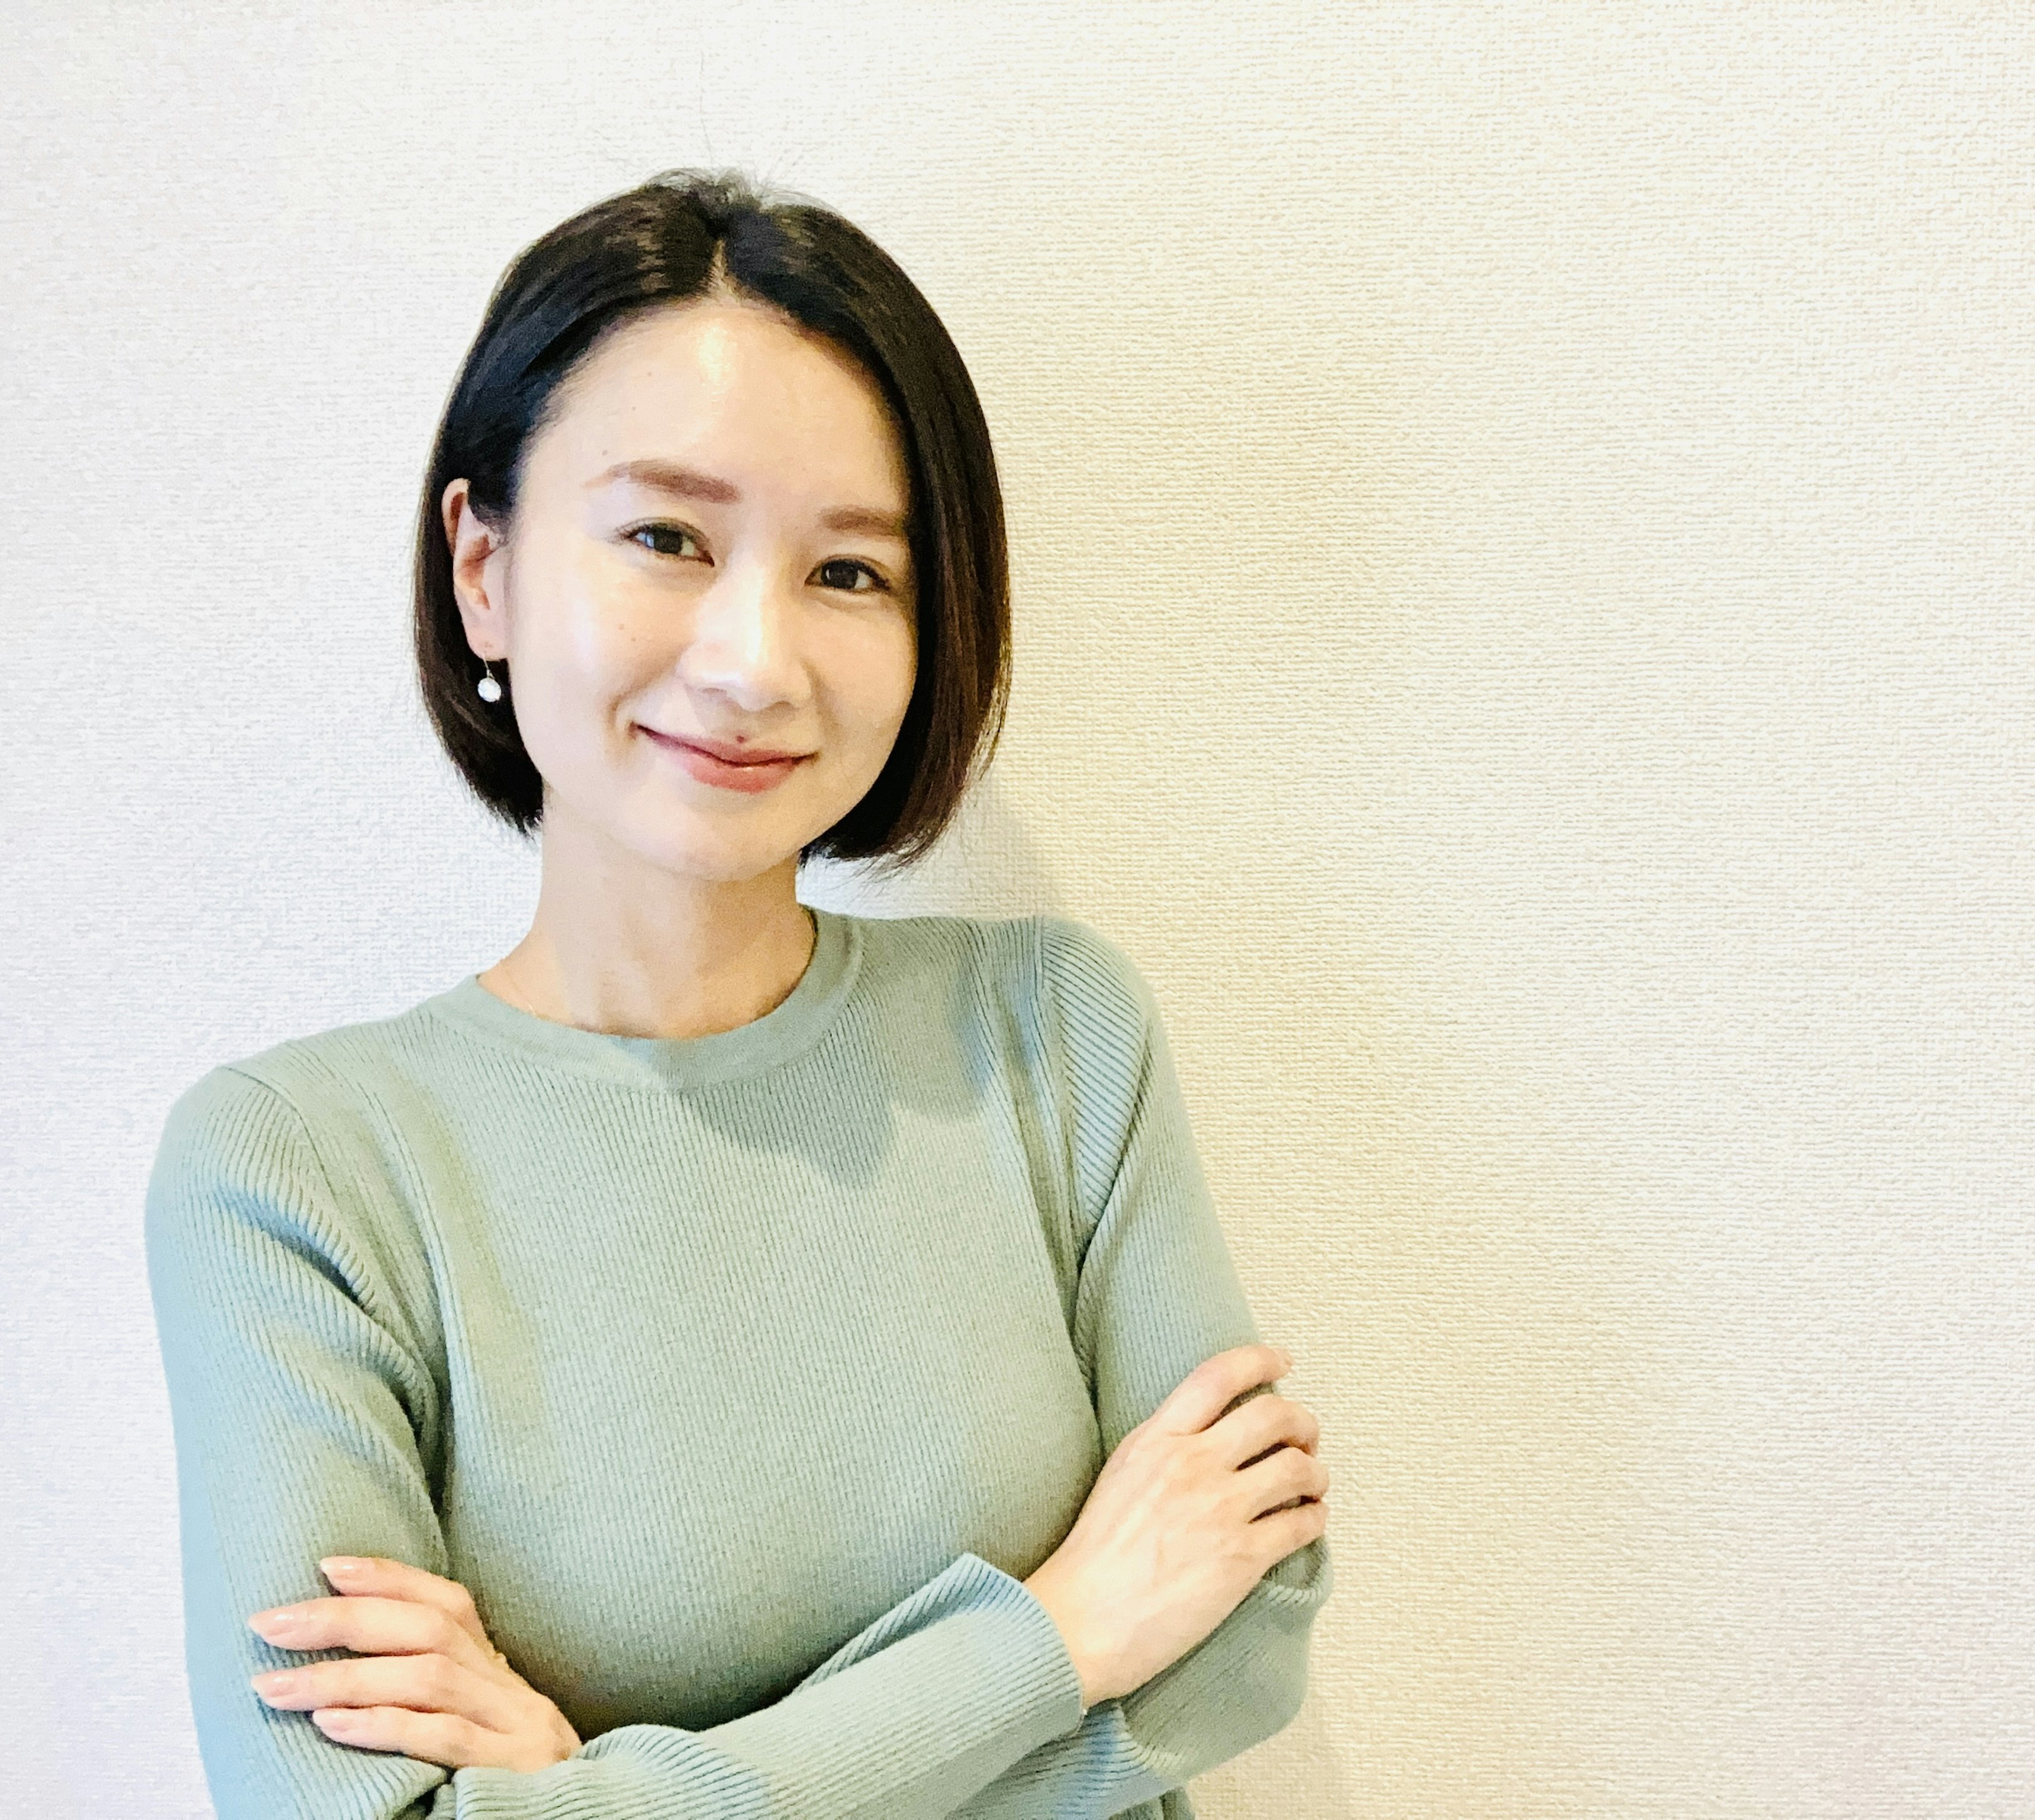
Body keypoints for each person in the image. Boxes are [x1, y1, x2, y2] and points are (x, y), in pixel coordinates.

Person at [142, 168, 1332, 1820]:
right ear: (482, 565)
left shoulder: (1051, 1034)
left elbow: (1246, 1636)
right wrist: (1059, 1636)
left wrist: (593, 1793)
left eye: (852, 573)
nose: (755, 660)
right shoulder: (294, 1169)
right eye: (665, 537)